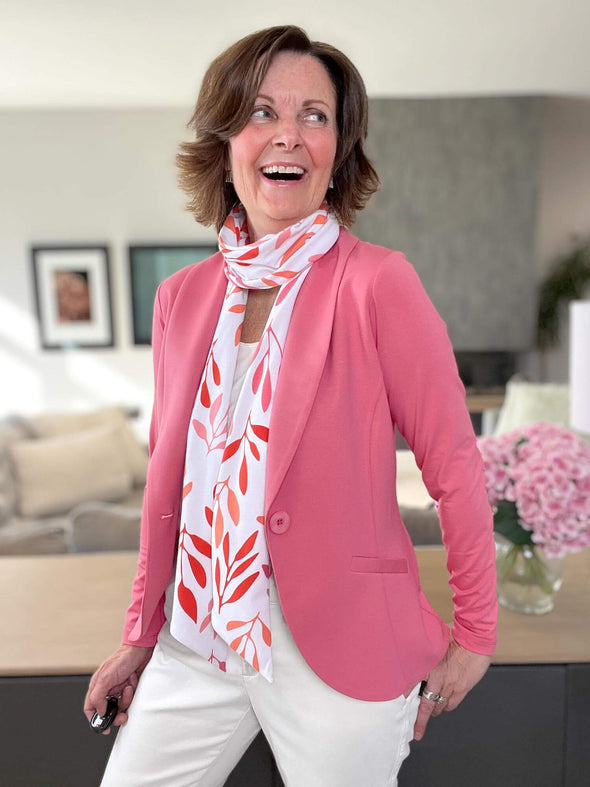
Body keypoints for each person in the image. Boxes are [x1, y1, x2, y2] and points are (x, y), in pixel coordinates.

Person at [85, 25, 497, 787]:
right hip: (198, 633)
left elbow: (453, 465)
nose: (290, 135)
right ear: (226, 139)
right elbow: (169, 483)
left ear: (339, 147)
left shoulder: (379, 283)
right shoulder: (183, 297)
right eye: (263, 112)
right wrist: (140, 634)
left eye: (315, 115)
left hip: (336, 648)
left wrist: (475, 630)